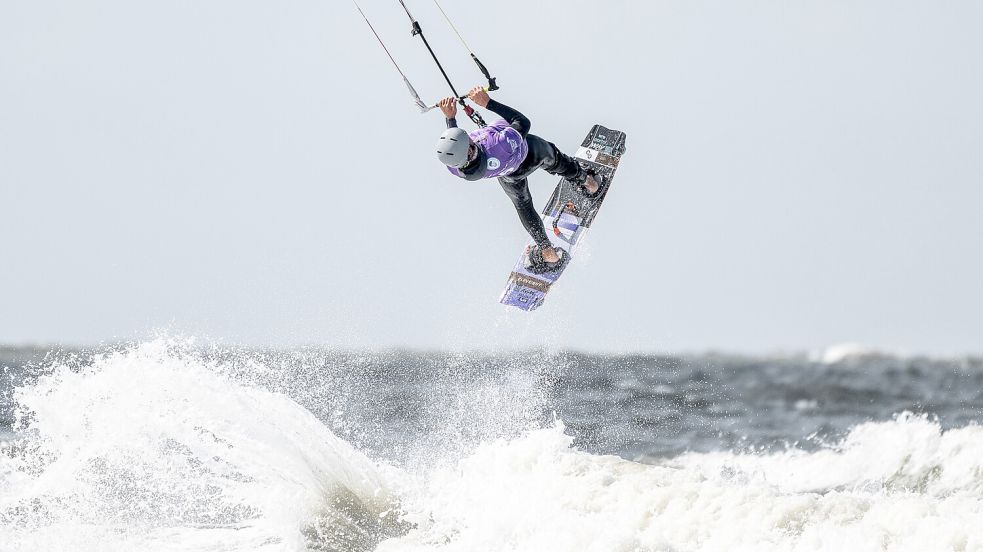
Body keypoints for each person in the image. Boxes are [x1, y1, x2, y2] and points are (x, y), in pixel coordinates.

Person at [436, 87, 601, 273]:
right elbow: (522, 122)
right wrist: (488, 103)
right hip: (530, 154)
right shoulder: (499, 144)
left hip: (509, 175)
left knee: (523, 205)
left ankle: (548, 252)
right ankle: (589, 183)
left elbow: (455, 147)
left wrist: (450, 119)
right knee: (556, 159)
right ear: (469, 150)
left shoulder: (457, 168)